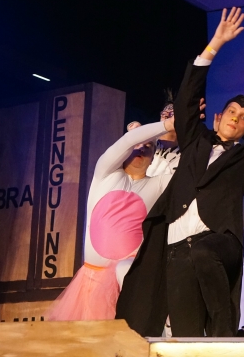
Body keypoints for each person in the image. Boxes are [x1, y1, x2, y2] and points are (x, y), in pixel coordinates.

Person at [116, 7, 244, 337]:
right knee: (185, 334)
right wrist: (215, 44)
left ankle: (226, 337)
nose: (235, 118)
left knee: (203, 251)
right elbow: (186, 99)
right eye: (232, 111)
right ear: (218, 116)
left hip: (219, 241)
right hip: (176, 246)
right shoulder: (195, 141)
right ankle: (227, 340)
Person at [46, 118, 176, 321]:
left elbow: (191, 174)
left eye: (148, 146)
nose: (141, 148)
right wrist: (167, 125)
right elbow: (126, 142)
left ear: (154, 158)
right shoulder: (105, 172)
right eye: (138, 143)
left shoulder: (159, 185)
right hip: (91, 284)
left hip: (129, 279)